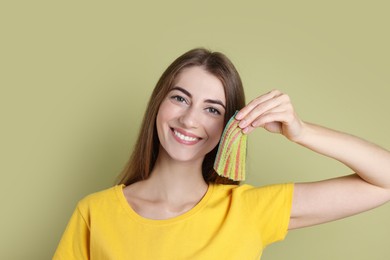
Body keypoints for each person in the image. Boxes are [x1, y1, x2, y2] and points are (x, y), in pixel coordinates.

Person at [53, 48, 390, 259]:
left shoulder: (247, 210)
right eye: (180, 99)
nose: (190, 119)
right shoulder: (94, 213)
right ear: (158, 104)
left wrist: (302, 132)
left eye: (212, 110)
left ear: (231, 125)